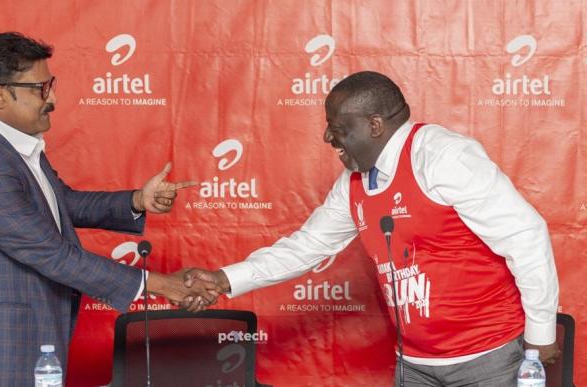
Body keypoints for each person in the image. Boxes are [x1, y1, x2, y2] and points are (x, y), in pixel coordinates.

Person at [183, 71, 560, 385]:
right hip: (414, 364)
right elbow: (307, 246)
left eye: (337, 127)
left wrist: (541, 335)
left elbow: (524, 236)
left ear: (374, 125)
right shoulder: (355, 181)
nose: (328, 138)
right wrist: (223, 278)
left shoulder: (442, 156)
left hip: (490, 360)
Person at [0, 32, 218, 386]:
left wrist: (137, 200)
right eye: (40, 89)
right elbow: (50, 253)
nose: (53, 98)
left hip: (18, 344)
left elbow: (59, 203)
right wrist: (162, 285)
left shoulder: (9, 144)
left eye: (51, 85)